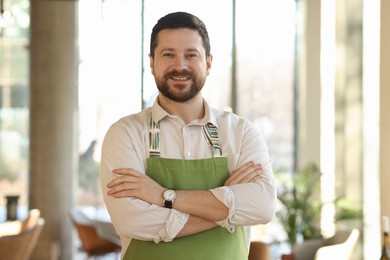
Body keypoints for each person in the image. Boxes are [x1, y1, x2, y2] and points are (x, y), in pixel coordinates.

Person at [100, 11, 277, 260]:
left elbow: (263, 207)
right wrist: (227, 208)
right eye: (168, 54)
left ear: (208, 62)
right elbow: (133, 222)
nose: (180, 66)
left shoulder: (241, 133)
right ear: (151, 63)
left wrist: (164, 196)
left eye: (191, 55)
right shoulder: (125, 134)